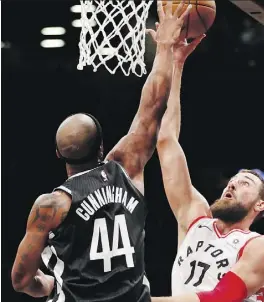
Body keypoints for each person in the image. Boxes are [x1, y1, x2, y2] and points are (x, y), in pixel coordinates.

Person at [11, 2, 192, 301]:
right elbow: (152, 108)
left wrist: (47, 285)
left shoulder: (50, 206)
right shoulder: (125, 169)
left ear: (58, 154)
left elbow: (20, 280)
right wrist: (165, 49)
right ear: (102, 147)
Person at [151, 34, 264, 302]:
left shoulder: (262, 247)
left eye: (245, 183)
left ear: (260, 205)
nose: (232, 183)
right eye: (232, 180)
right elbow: (166, 142)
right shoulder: (195, 220)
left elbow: (221, 298)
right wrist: (176, 63)